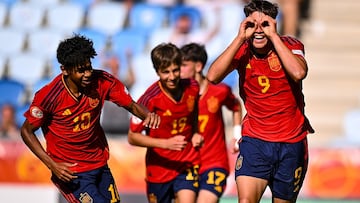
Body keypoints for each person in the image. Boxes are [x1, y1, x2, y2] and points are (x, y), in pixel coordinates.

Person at [20, 34, 160, 203]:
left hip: (99, 163)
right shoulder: (49, 96)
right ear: (64, 69)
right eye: (81, 70)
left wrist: (148, 116)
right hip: (71, 173)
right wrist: (52, 165)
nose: (87, 74)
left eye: (89, 67)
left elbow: (131, 105)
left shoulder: (102, 81)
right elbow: (27, 131)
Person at [206, 0, 314, 202]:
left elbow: (299, 72)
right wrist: (239, 38)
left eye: (264, 25)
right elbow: (212, 77)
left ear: (274, 24)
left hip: (291, 142)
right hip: (256, 140)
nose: (258, 30)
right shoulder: (241, 49)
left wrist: (274, 35)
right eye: (251, 24)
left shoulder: (291, 45)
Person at [127, 42, 204, 203]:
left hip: (187, 161)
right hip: (160, 168)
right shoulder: (149, 100)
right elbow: (132, 137)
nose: (172, 76)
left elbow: (193, 109)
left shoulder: (192, 86)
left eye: (176, 70)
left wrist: (196, 131)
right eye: (166, 72)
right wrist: (165, 144)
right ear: (157, 72)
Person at [180, 42, 243, 203]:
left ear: (198, 66)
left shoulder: (219, 91)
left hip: (215, 163)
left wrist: (237, 135)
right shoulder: (178, 94)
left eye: (184, 65)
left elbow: (236, 106)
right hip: (187, 163)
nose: (178, 70)